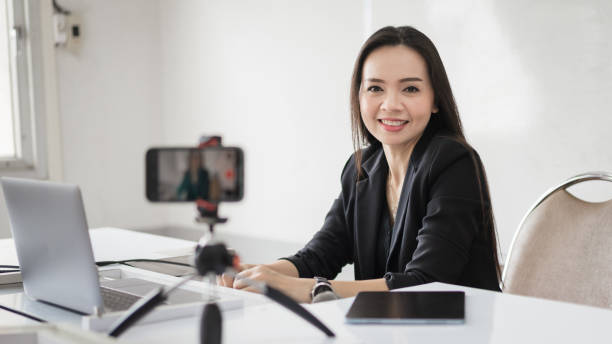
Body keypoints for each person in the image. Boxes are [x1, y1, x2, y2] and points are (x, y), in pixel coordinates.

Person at [219, 26, 502, 302]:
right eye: (375, 88)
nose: (391, 104)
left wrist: (309, 288)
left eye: (411, 89)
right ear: (359, 96)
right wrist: (259, 273)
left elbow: (425, 283)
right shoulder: (362, 167)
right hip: (391, 331)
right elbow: (320, 255)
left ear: (435, 100)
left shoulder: (453, 162)